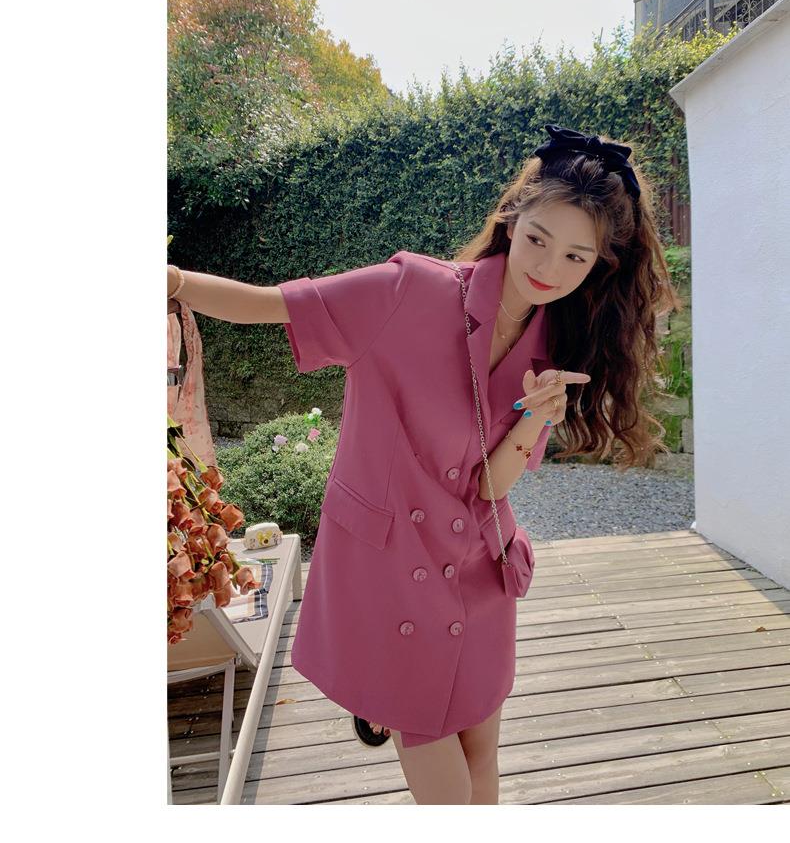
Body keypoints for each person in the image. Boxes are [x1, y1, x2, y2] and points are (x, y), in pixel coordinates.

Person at [166, 123, 682, 804]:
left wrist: (537, 417)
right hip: (392, 569)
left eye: (575, 257)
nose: (549, 268)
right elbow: (272, 304)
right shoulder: (409, 291)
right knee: (439, 769)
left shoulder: (555, 344)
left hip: (478, 574)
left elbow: (489, 487)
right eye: (537, 239)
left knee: (481, 753)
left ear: (597, 266)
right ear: (511, 218)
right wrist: (173, 281)